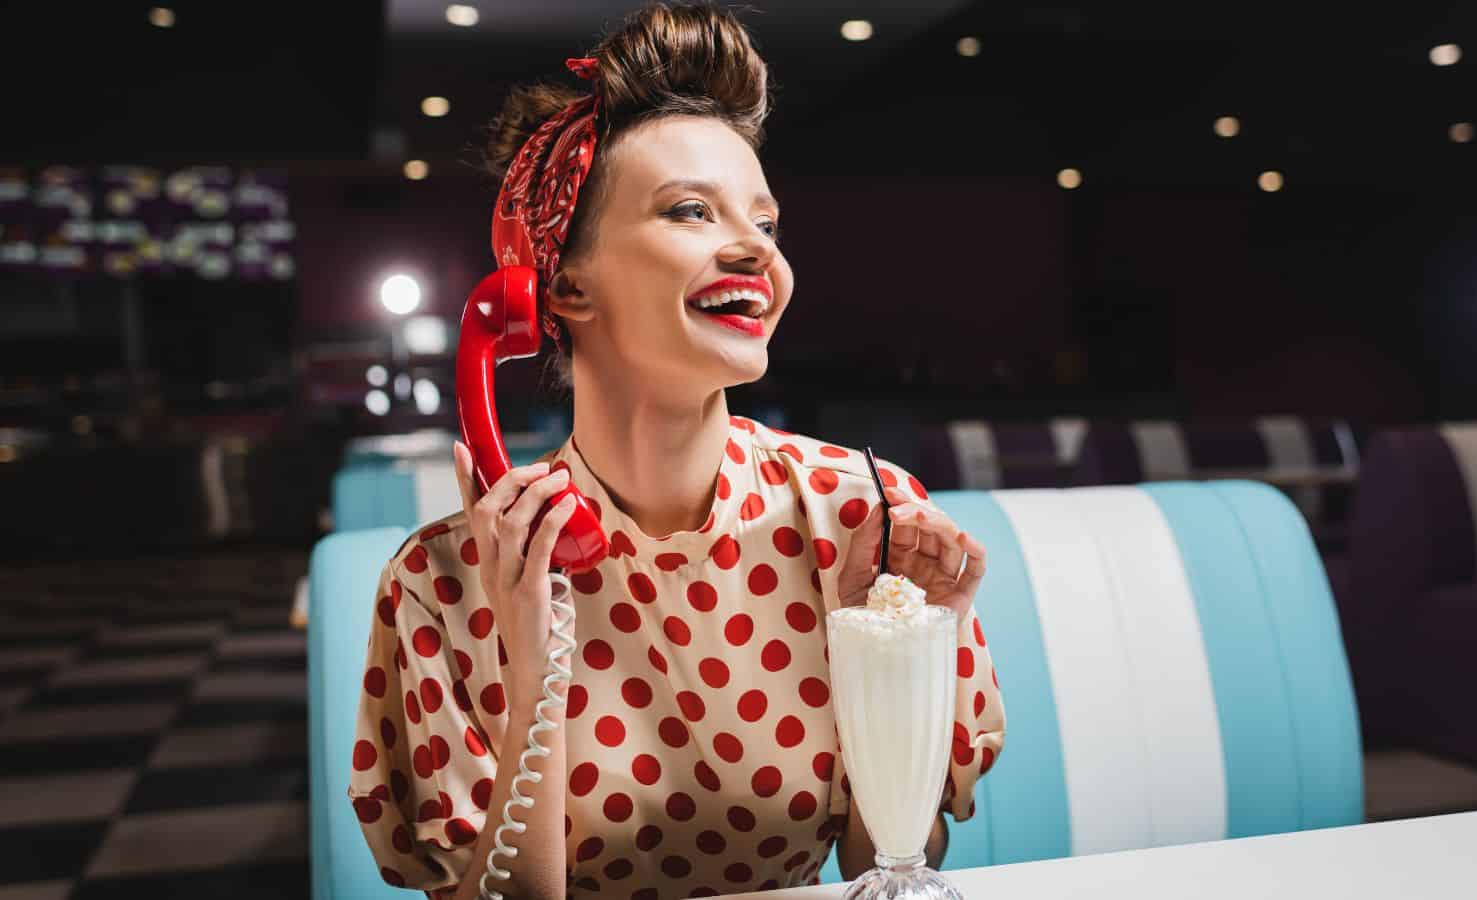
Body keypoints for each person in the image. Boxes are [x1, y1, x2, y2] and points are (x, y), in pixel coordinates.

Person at [348, 4, 1005, 898]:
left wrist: (887, 666)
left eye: (767, 225)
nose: (754, 252)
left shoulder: (864, 512)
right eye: (690, 211)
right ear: (562, 283)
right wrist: (533, 665)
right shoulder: (444, 581)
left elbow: (886, 875)